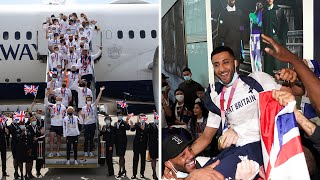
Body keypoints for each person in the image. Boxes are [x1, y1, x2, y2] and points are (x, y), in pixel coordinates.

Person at [174, 46, 296, 179]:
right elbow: (206, 137)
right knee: (198, 173)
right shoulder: (217, 96)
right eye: (216, 65)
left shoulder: (257, 79)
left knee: (211, 177)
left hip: (259, 144)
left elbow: (288, 100)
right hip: (234, 149)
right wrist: (178, 159)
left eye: (226, 62)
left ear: (235, 63)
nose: (221, 69)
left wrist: (289, 79)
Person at [262, 0, 289, 75]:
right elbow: (261, 26)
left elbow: (285, 27)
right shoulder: (264, 12)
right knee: (268, 63)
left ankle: (280, 82)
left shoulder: (279, 10)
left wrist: (281, 40)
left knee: (278, 62)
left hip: (276, 39)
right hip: (267, 40)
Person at [81, 86, 105, 157]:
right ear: (86, 101)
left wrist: (101, 91)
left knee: (91, 138)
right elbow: (83, 116)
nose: (89, 101)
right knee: (86, 138)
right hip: (86, 124)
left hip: (92, 124)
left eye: (90, 100)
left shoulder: (93, 106)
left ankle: (90, 151)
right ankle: (85, 151)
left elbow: (98, 99)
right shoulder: (83, 108)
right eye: (87, 100)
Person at [129, 114, 149, 179]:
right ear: (139, 118)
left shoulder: (147, 125)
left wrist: (143, 127)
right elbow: (132, 129)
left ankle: (142, 173)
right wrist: (131, 125)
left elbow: (146, 132)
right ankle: (134, 174)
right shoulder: (137, 124)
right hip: (137, 145)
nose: (142, 118)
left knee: (143, 160)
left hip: (143, 145)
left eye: (143, 117)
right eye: (141, 117)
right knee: (135, 159)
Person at [114, 112, 130, 178]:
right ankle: (124, 169)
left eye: (121, 115)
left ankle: (120, 170)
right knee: (121, 156)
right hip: (117, 142)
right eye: (119, 115)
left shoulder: (124, 123)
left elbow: (128, 128)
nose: (120, 116)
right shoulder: (115, 123)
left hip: (123, 142)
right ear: (117, 116)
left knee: (121, 156)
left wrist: (127, 121)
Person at [249, 1, 264, 72]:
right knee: (253, 55)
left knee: (258, 56)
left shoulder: (261, 14)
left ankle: (259, 72)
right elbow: (255, 23)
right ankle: (254, 72)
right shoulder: (251, 14)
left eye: (260, 5)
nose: (259, 6)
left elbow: (259, 24)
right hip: (252, 36)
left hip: (258, 37)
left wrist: (260, 13)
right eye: (258, 5)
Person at [147, 113, 159, 180]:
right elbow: (146, 130)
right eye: (155, 118)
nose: (156, 119)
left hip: (161, 144)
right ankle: (154, 173)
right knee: (153, 159)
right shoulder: (151, 125)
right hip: (153, 145)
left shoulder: (162, 125)